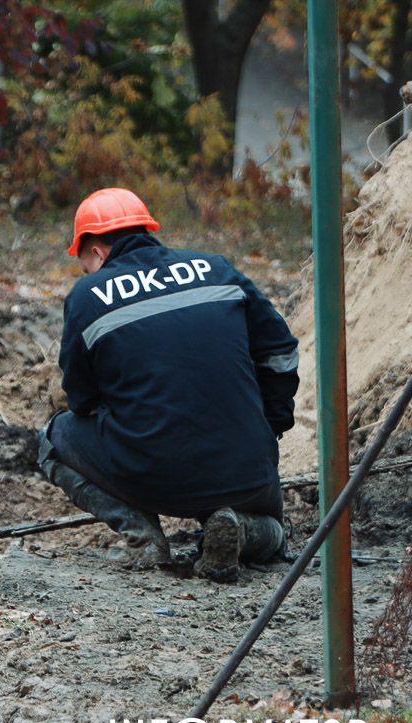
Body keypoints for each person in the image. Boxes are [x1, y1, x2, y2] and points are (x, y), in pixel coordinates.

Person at [38, 187, 299, 582]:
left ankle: (143, 537)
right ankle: (240, 530)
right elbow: (280, 351)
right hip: (248, 469)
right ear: (146, 229)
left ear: (94, 250)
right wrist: (271, 423)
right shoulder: (218, 269)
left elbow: (82, 399)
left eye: (84, 261)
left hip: (155, 478)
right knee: (275, 534)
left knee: (52, 440)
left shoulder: (88, 296)